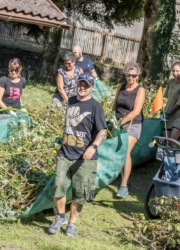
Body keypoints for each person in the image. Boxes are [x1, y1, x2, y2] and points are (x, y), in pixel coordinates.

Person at [48, 74, 107, 237]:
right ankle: (60, 217)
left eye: (86, 85)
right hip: (65, 154)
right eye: (80, 84)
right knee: (58, 186)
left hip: (85, 158)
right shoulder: (72, 100)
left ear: (92, 88)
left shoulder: (95, 106)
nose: (82, 87)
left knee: (80, 193)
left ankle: (72, 224)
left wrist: (93, 146)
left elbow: (103, 130)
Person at [112, 63, 146, 198]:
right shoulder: (120, 87)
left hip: (133, 124)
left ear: (138, 76)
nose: (130, 78)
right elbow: (115, 104)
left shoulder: (140, 90)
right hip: (118, 123)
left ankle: (124, 185)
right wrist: (113, 117)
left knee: (125, 152)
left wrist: (121, 122)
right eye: (128, 75)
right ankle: (120, 177)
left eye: (133, 75)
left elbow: (136, 111)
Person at [162, 61, 180, 145]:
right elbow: (165, 98)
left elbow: (179, 104)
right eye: (173, 71)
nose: (175, 73)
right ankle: (167, 158)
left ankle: (176, 157)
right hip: (169, 115)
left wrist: (167, 113)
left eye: (177, 71)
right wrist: (163, 108)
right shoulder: (170, 82)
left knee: (172, 142)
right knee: (165, 142)